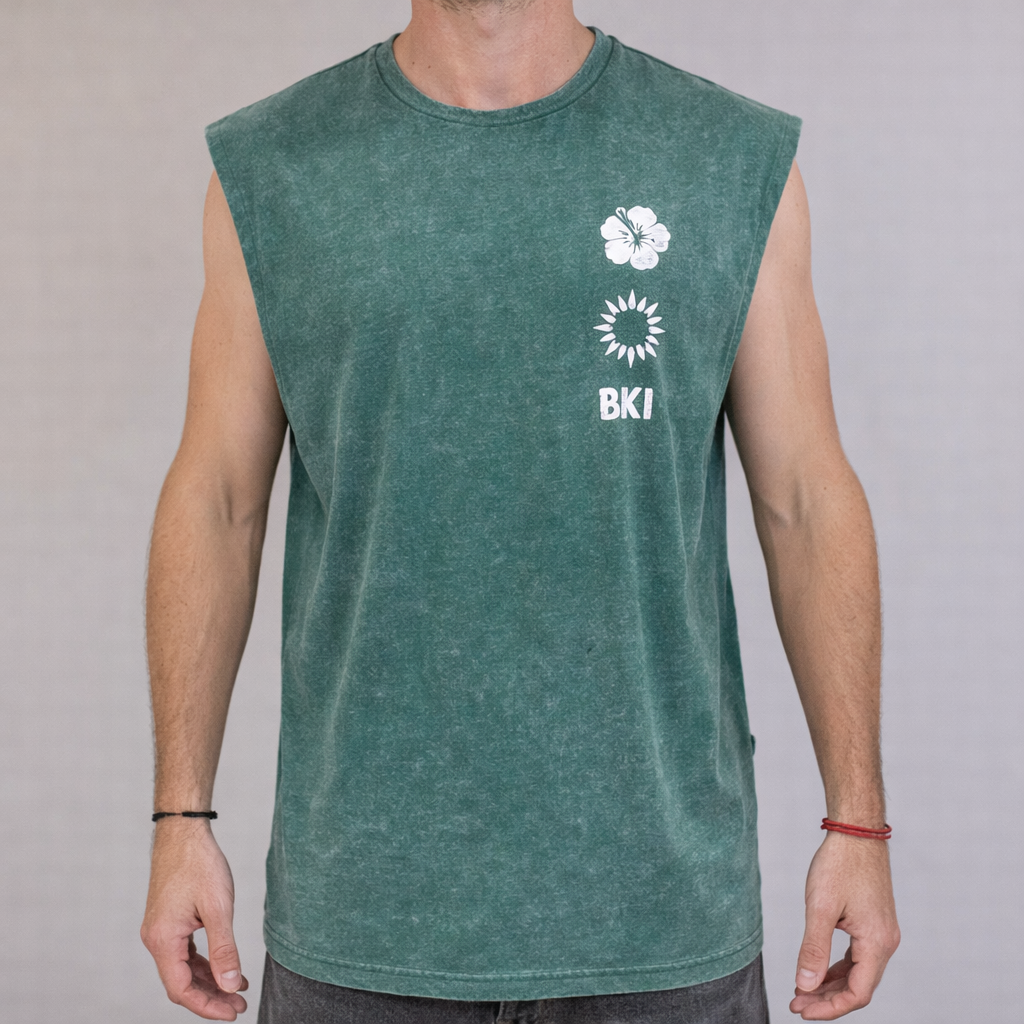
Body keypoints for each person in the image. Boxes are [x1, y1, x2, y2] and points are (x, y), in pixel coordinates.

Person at [140, 2, 899, 1021]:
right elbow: (218, 500)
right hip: (366, 916)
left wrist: (858, 823)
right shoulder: (273, 167)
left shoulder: (726, 158)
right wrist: (179, 818)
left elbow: (805, 497)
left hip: (661, 917)